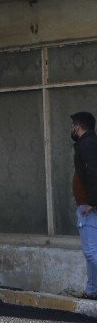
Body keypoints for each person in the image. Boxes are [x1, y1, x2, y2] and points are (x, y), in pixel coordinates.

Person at [70, 111, 97, 300]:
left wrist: (92, 202)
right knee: (92, 251)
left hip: (89, 207)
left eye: (73, 126)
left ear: (78, 126)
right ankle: (92, 291)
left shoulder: (87, 144)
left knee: (91, 252)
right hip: (90, 204)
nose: (72, 129)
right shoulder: (91, 142)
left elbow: (93, 172)